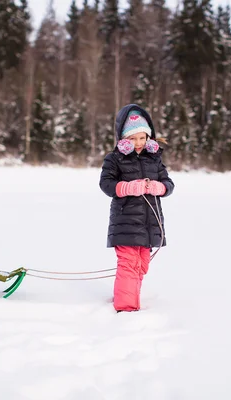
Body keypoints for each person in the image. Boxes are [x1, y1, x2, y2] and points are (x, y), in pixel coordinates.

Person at [99, 104, 175, 312]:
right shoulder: (115, 159)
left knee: (141, 264)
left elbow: (168, 184)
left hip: (150, 222)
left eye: (142, 138)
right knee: (128, 263)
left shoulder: (154, 158)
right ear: (123, 139)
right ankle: (126, 308)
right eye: (133, 139)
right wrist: (128, 187)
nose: (138, 143)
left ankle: (128, 295)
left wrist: (159, 187)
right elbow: (106, 184)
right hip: (126, 222)